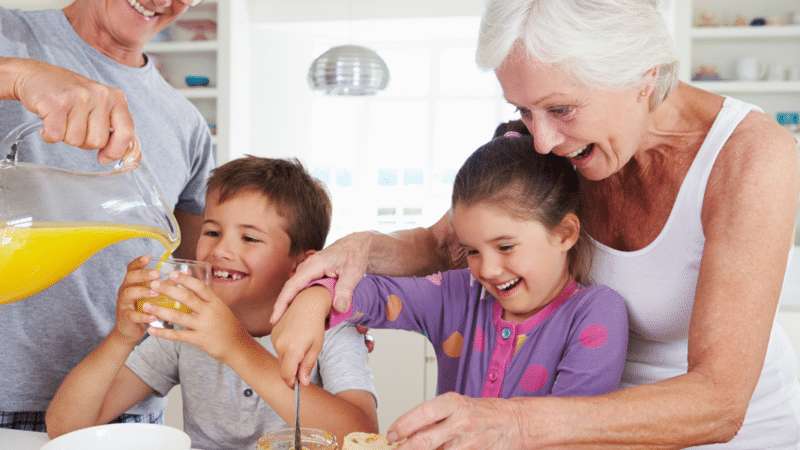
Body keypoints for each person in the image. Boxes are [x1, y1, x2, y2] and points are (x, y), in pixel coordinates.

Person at [271, 0, 800, 448]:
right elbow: (441, 245)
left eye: (562, 109)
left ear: (643, 75)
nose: (541, 142)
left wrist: (512, 420)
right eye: (523, 110)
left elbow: (720, 401)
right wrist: (351, 256)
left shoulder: (752, 159)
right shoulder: (556, 145)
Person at [46, 156, 379, 450]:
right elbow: (67, 428)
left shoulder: (328, 328)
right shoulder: (187, 323)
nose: (221, 250)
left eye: (249, 238)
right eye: (212, 232)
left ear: (301, 264)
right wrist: (123, 337)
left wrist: (234, 345)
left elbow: (362, 436)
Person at [273, 134, 629, 403]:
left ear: (564, 233)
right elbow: (375, 294)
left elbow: (573, 430)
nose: (487, 269)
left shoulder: (596, 313)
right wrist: (314, 300)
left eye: (505, 246)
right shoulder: (458, 293)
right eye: (472, 250)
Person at [0, 0, 214, 430]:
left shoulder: (187, 123)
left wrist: (312, 307)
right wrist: (18, 75)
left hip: (124, 409)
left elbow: (199, 271)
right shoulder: (10, 33)